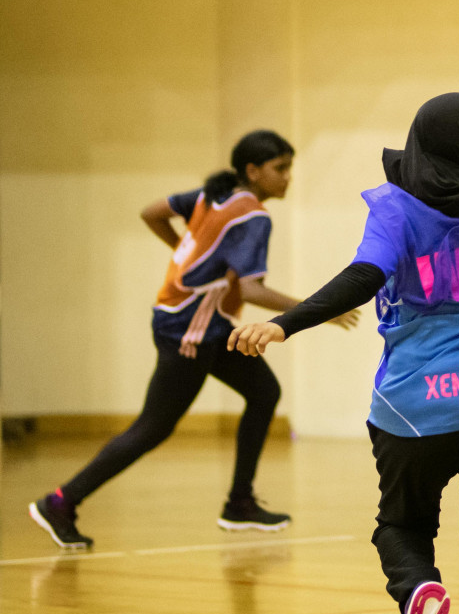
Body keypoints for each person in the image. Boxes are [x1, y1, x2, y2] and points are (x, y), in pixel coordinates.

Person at [228, 4, 459, 614]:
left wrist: (283, 322)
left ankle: (419, 590)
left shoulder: (397, 208)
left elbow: (363, 276)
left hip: (416, 410)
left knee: (401, 526)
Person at [26, 130, 359, 551]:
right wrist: (318, 309)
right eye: (280, 168)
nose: (288, 177)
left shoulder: (210, 195)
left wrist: (187, 250)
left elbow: (150, 213)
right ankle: (60, 501)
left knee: (263, 392)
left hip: (201, 325)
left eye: (289, 168)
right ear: (252, 171)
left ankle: (240, 503)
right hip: (190, 332)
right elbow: (253, 290)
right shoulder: (252, 215)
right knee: (154, 427)